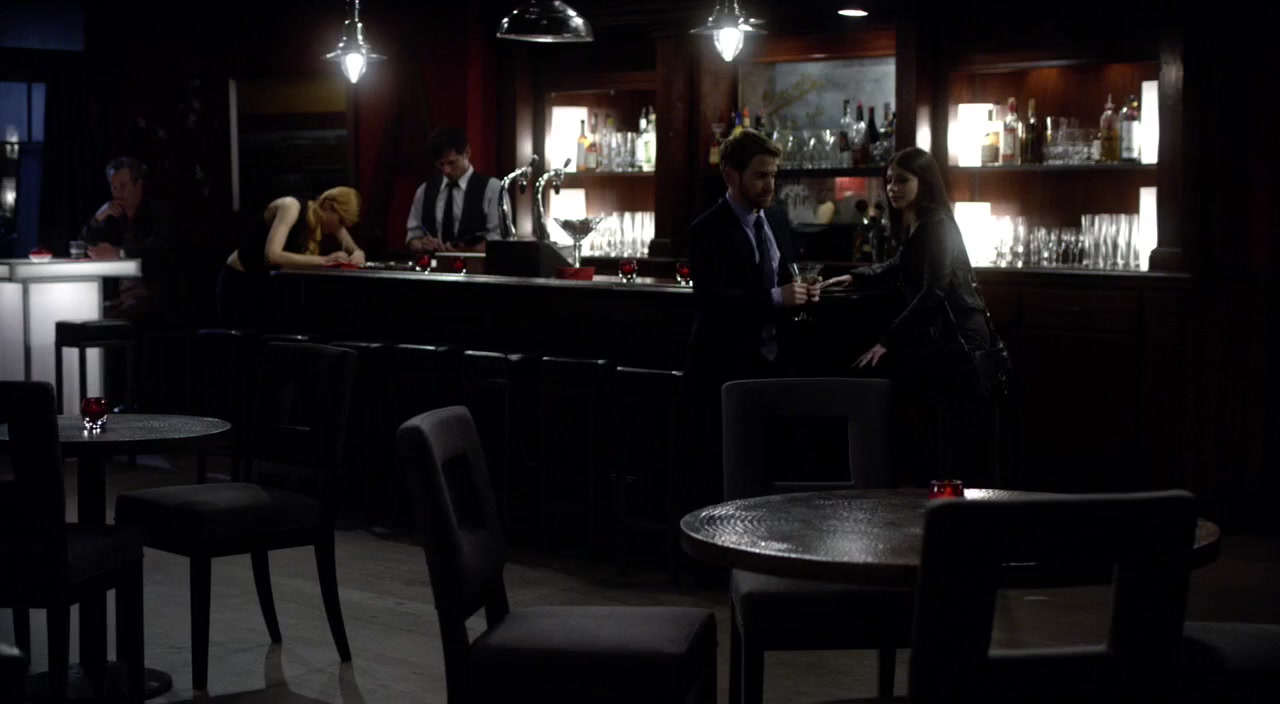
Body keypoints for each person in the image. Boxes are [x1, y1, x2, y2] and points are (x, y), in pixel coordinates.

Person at [822, 147, 998, 485]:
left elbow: (934, 292)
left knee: (876, 379)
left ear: (924, 181)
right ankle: (895, 480)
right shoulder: (920, 223)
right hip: (942, 338)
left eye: (902, 180)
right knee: (876, 382)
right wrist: (856, 277)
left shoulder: (938, 224)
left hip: (960, 342)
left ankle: (892, 482)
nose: (893, 188)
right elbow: (898, 266)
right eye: (889, 181)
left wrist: (888, 341)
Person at [684, 129, 817, 510]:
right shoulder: (706, 230)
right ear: (731, 175)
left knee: (781, 466)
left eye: (774, 175)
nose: (770, 185)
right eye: (760, 175)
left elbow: (785, 276)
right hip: (725, 366)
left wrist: (804, 291)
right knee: (729, 475)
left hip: (777, 365)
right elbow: (713, 301)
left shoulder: (774, 217)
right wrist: (776, 297)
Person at [218, 187, 364, 329]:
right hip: (242, 282)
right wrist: (325, 260)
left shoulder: (328, 218)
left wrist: (358, 254)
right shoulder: (291, 207)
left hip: (268, 285)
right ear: (328, 206)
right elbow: (272, 256)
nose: (339, 228)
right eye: (341, 221)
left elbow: (355, 249)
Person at [81, 157, 188, 327]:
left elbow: (158, 247)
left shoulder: (158, 211)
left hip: (153, 297)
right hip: (120, 298)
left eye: (123, 186)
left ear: (138, 185)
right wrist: (98, 217)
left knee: (103, 323)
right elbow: (85, 243)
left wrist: (120, 253)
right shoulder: (114, 216)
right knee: (83, 315)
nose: (118, 192)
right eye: (114, 187)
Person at [405, 127, 506, 253]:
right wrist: (422, 244)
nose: (446, 170)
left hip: (476, 265)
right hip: (435, 264)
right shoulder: (424, 190)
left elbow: (499, 239)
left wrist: (467, 251)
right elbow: (412, 236)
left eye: (452, 163)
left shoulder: (493, 188)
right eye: (441, 164)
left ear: (467, 153)